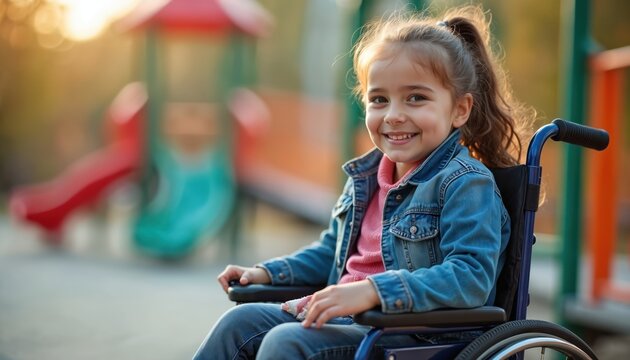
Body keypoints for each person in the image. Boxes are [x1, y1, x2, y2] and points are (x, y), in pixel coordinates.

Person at [193, 5, 532, 359]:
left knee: (285, 343)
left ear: (460, 109)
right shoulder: (367, 178)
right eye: (379, 100)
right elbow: (330, 252)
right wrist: (267, 273)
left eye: (416, 98)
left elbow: (470, 277)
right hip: (354, 324)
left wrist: (374, 291)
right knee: (240, 322)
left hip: (418, 336)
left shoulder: (465, 183)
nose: (394, 115)